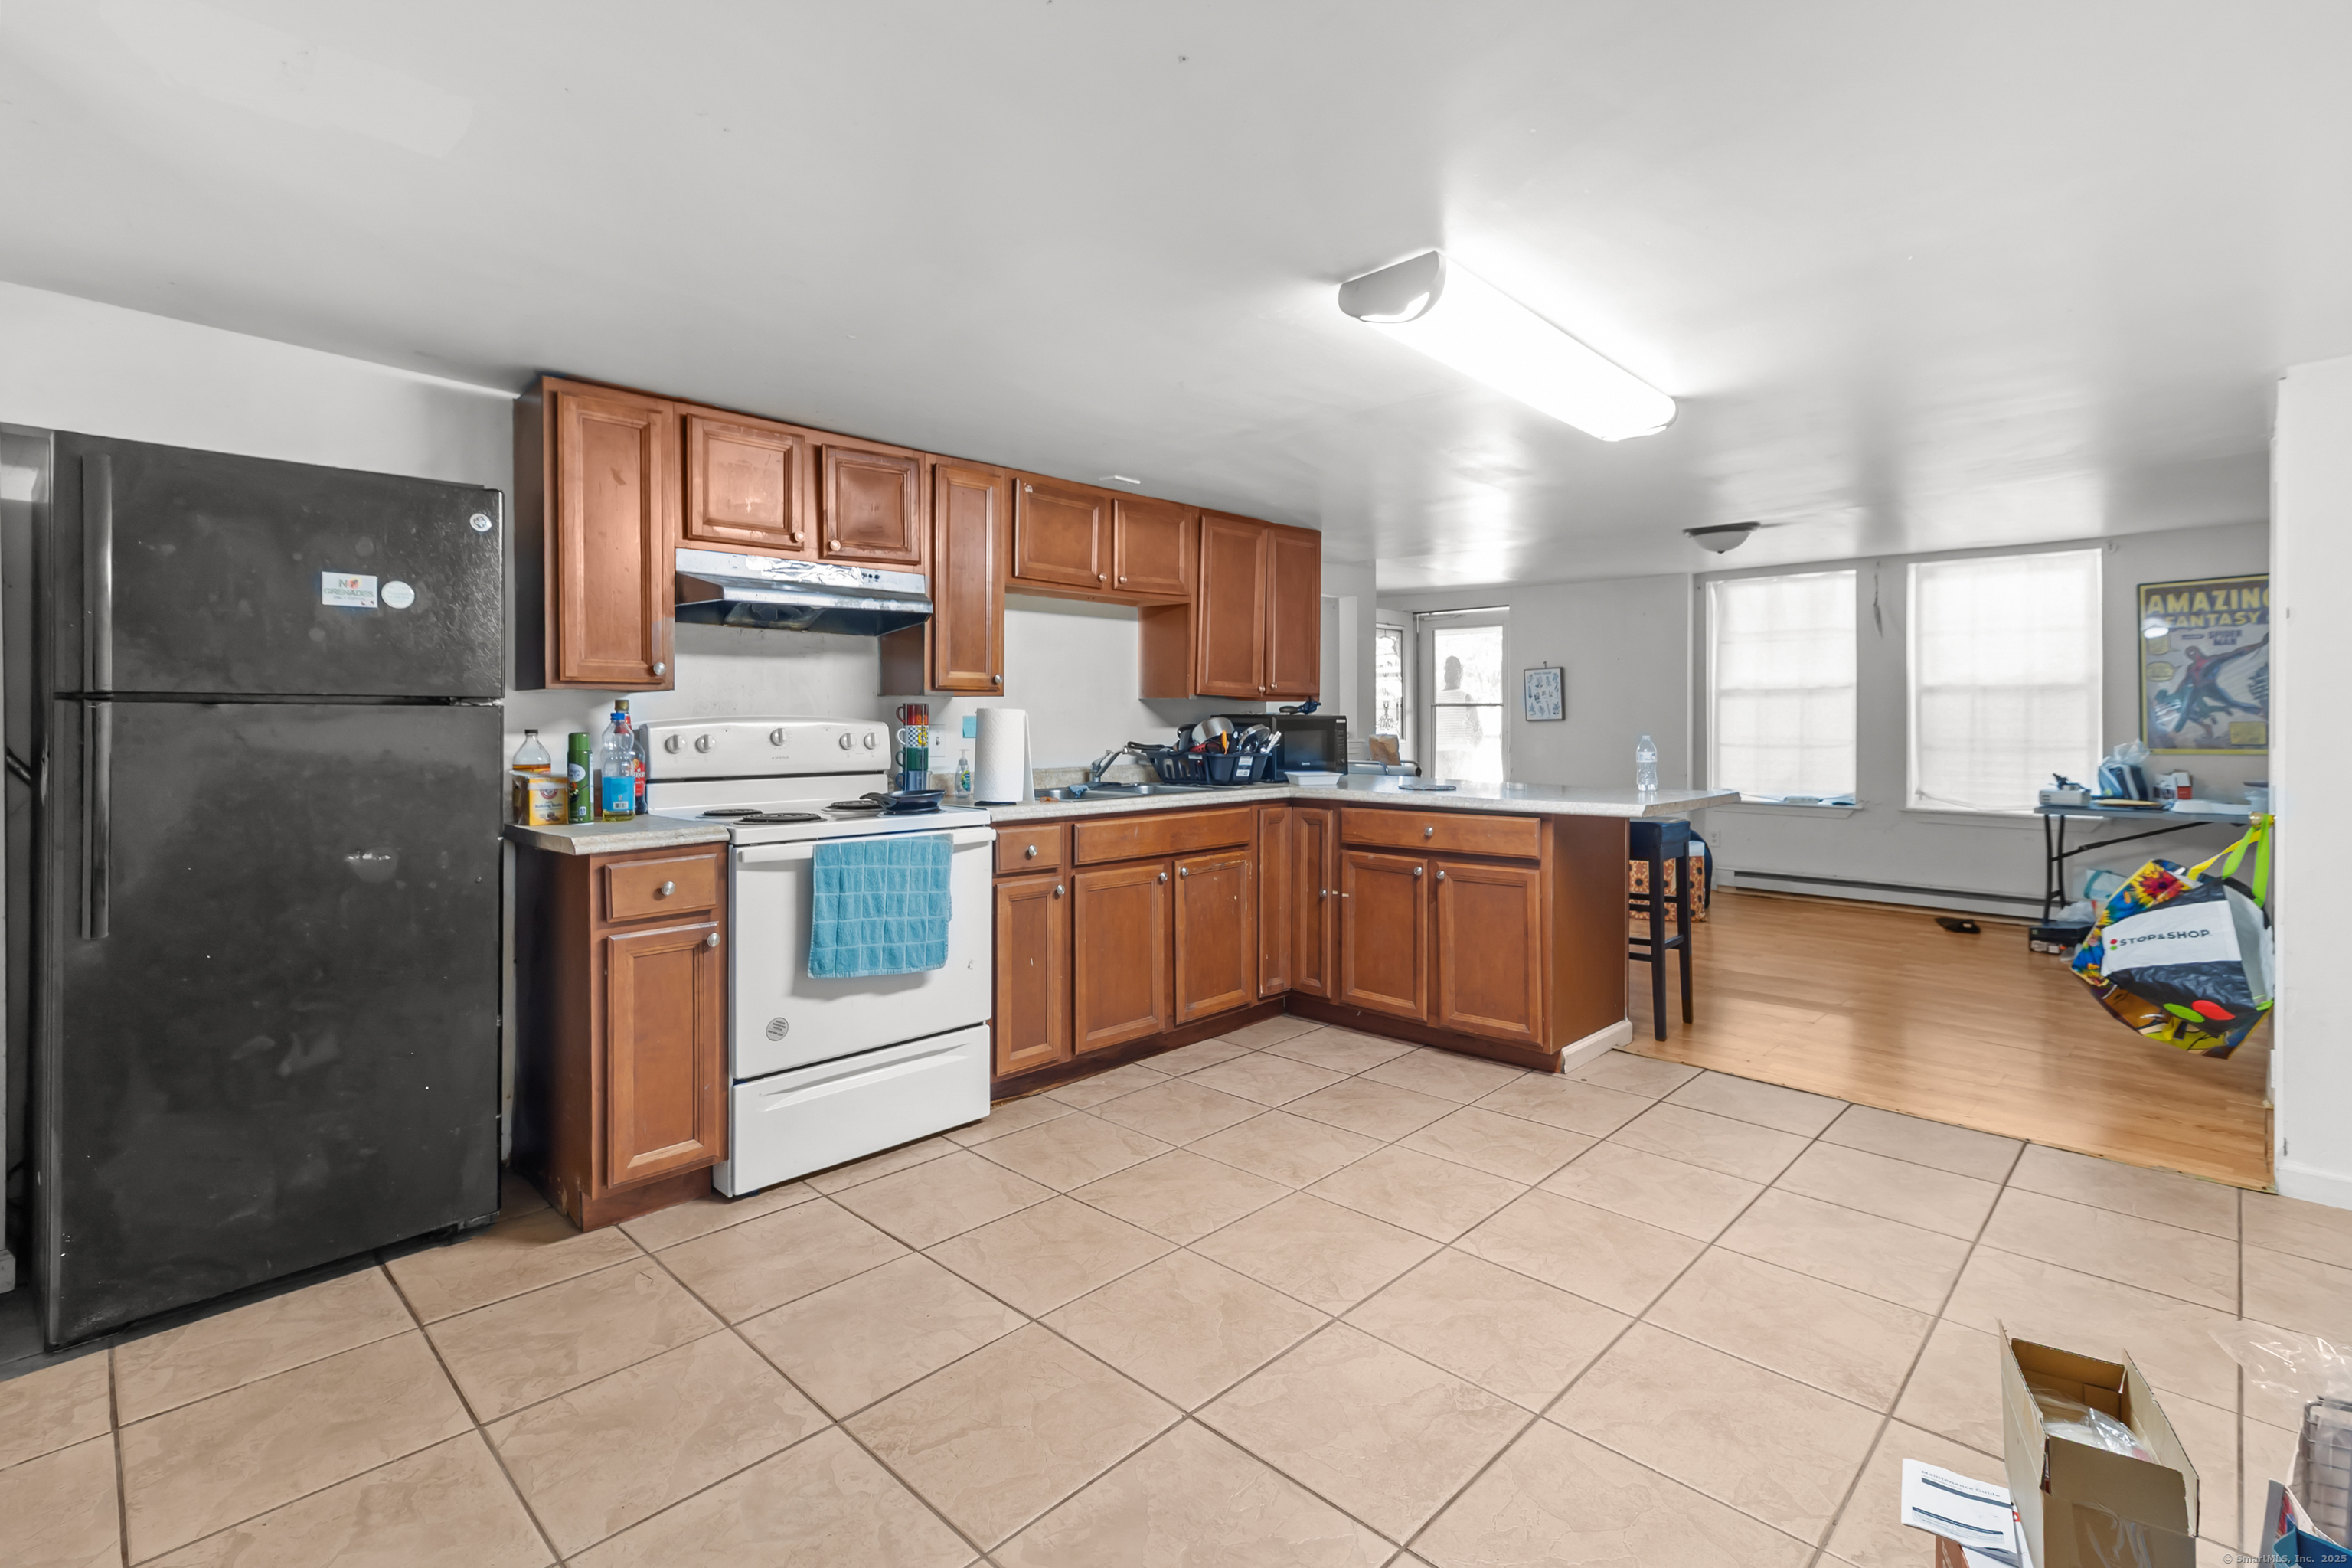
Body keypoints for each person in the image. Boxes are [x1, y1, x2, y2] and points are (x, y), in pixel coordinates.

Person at [1433, 654, 1483, 778]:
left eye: (1451, 668)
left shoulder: (1465, 698)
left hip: (1457, 754)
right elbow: (1478, 732)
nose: (1448, 671)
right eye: (1446, 668)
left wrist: (1467, 747)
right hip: (1446, 753)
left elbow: (1478, 732)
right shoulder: (1436, 698)